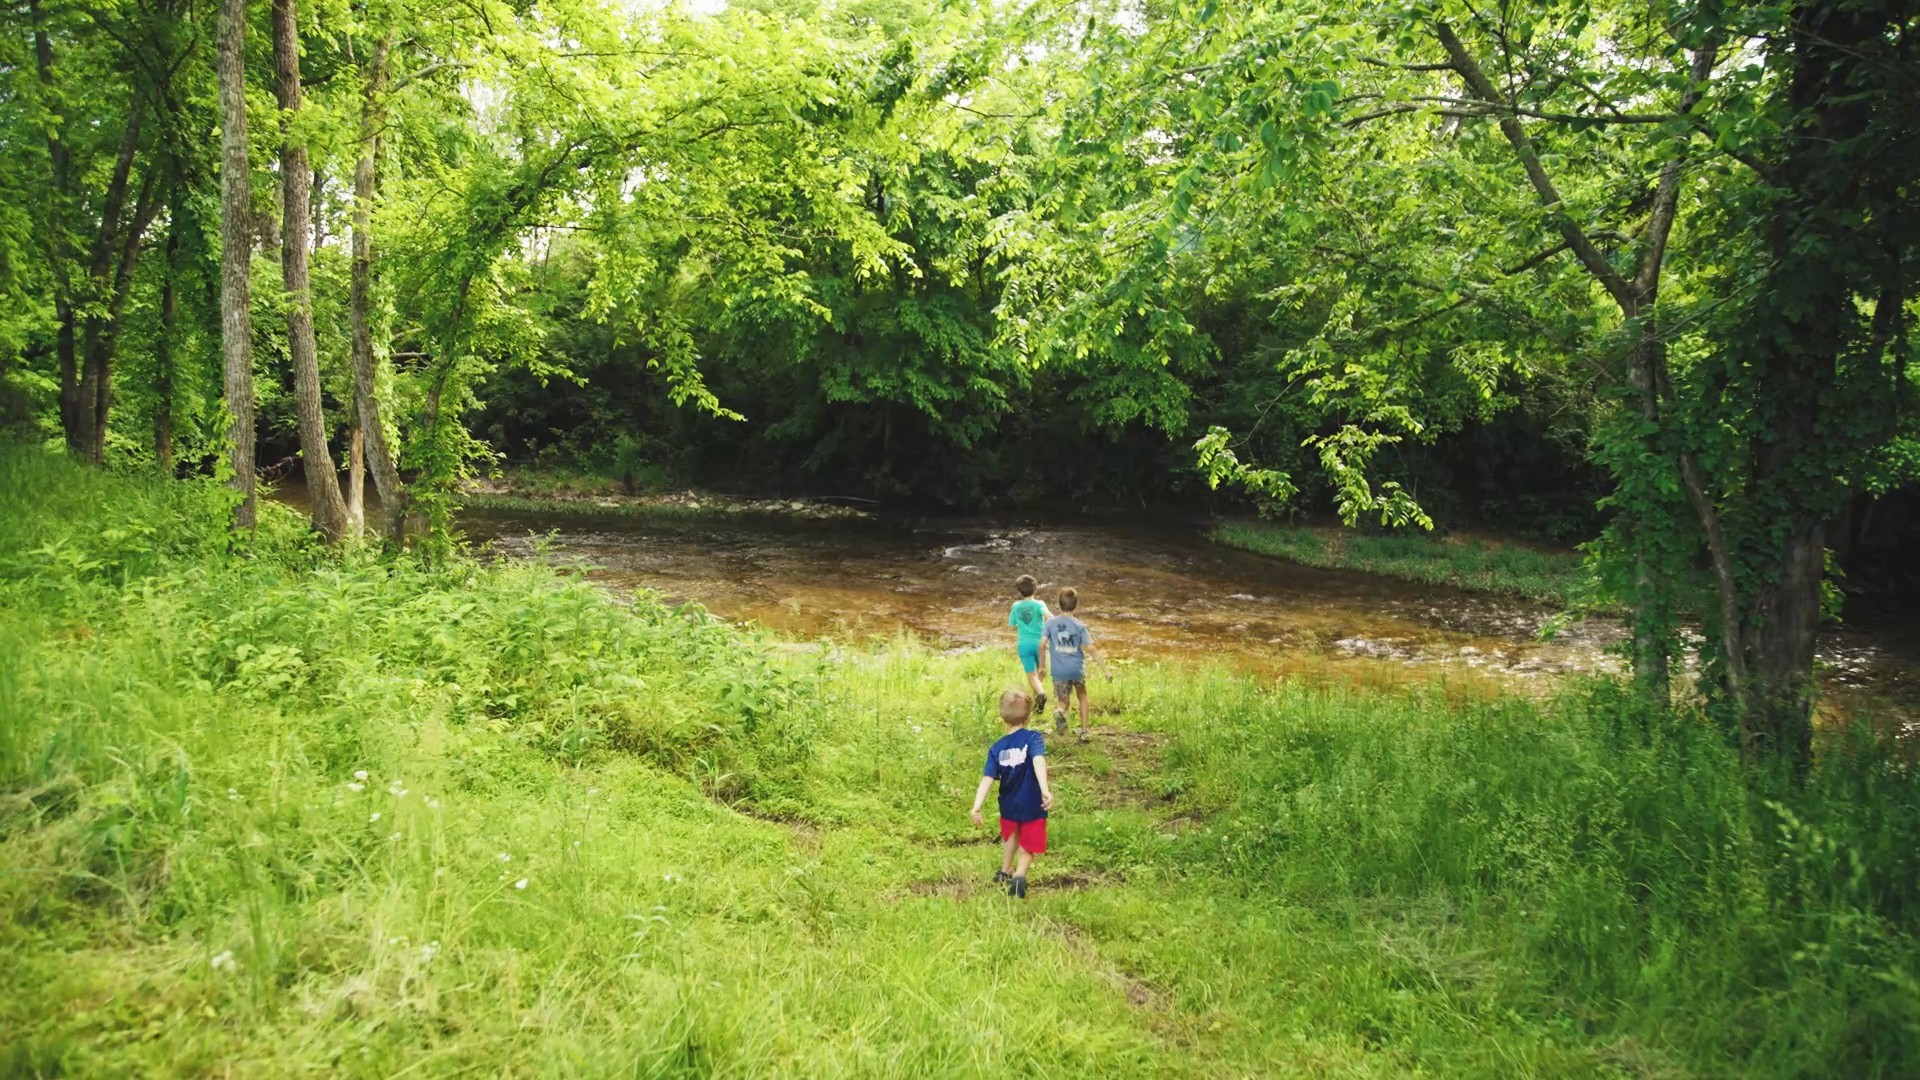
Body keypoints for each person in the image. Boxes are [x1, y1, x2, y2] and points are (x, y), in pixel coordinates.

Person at [971, 690, 1053, 899]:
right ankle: (1019, 875)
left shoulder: (997, 748)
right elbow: (1038, 761)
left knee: (1011, 836)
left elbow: (987, 778)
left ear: (1002, 717)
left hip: (1008, 805)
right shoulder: (1033, 738)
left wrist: (977, 805)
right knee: (1027, 843)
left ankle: (1004, 870)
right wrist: (1044, 790)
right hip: (1032, 803)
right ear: (1029, 716)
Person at [1044, 587, 1095, 738]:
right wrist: (1105, 668)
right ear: (1076, 605)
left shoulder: (1050, 623)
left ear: (1058, 604)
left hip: (1059, 671)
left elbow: (1041, 644)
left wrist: (1041, 666)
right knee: (1082, 696)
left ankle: (1059, 711)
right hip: (1076, 670)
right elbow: (1090, 647)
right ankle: (1085, 732)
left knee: (1063, 700)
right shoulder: (1080, 626)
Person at [1007, 575, 1050, 713]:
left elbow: (1012, 625)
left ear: (1019, 591)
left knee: (1032, 675)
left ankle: (1040, 695)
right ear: (1035, 589)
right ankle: (1037, 701)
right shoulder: (1039, 604)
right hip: (1039, 644)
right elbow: (1049, 617)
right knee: (1039, 672)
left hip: (1024, 645)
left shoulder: (1016, 606)